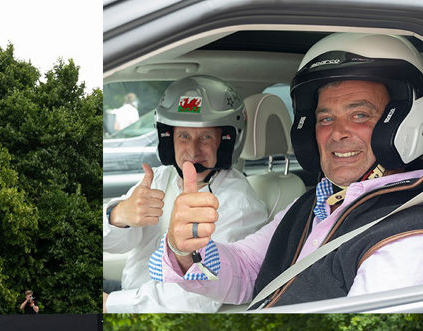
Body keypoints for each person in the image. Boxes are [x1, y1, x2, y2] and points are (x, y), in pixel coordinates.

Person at [155, 33, 423, 308]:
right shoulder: (311, 203)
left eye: (359, 116)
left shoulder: (405, 235)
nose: (337, 134)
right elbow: (248, 268)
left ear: (401, 122)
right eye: (326, 118)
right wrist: (186, 251)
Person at [103, 75, 268, 313]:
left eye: (206, 137)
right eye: (184, 136)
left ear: (225, 142)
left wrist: (110, 304)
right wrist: (118, 215)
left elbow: (193, 297)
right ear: (168, 140)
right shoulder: (161, 178)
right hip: (128, 295)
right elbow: (111, 245)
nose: (193, 151)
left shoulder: (239, 205)